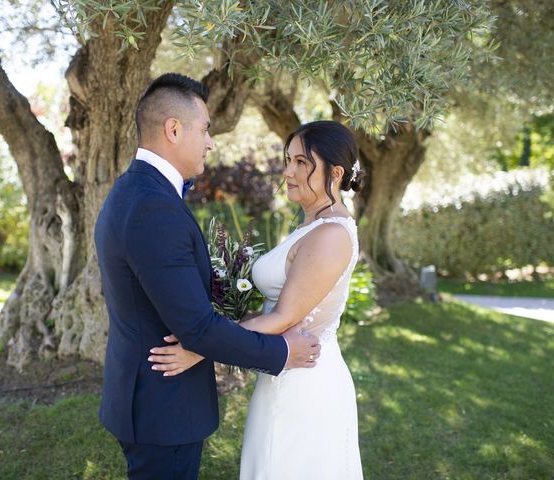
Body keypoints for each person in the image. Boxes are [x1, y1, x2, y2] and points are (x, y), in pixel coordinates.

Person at [94, 72, 321, 480]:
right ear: (174, 129)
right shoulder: (153, 207)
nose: (211, 142)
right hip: (162, 408)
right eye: (205, 129)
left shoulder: (132, 190)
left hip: (146, 398)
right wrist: (283, 353)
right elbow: (197, 328)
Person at [150, 120, 365, 479]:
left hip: (304, 383)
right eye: (288, 160)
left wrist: (199, 346)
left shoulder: (331, 235)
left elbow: (283, 317)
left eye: (301, 162)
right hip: (284, 371)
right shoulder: (310, 225)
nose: (288, 171)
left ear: (336, 172)